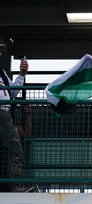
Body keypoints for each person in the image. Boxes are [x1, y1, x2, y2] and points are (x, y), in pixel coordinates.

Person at [0, 37, 31, 192]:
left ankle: (13, 185)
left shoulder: (2, 73)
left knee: (13, 148)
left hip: (5, 114)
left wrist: (21, 74)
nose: (0, 53)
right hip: (3, 114)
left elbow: (13, 92)